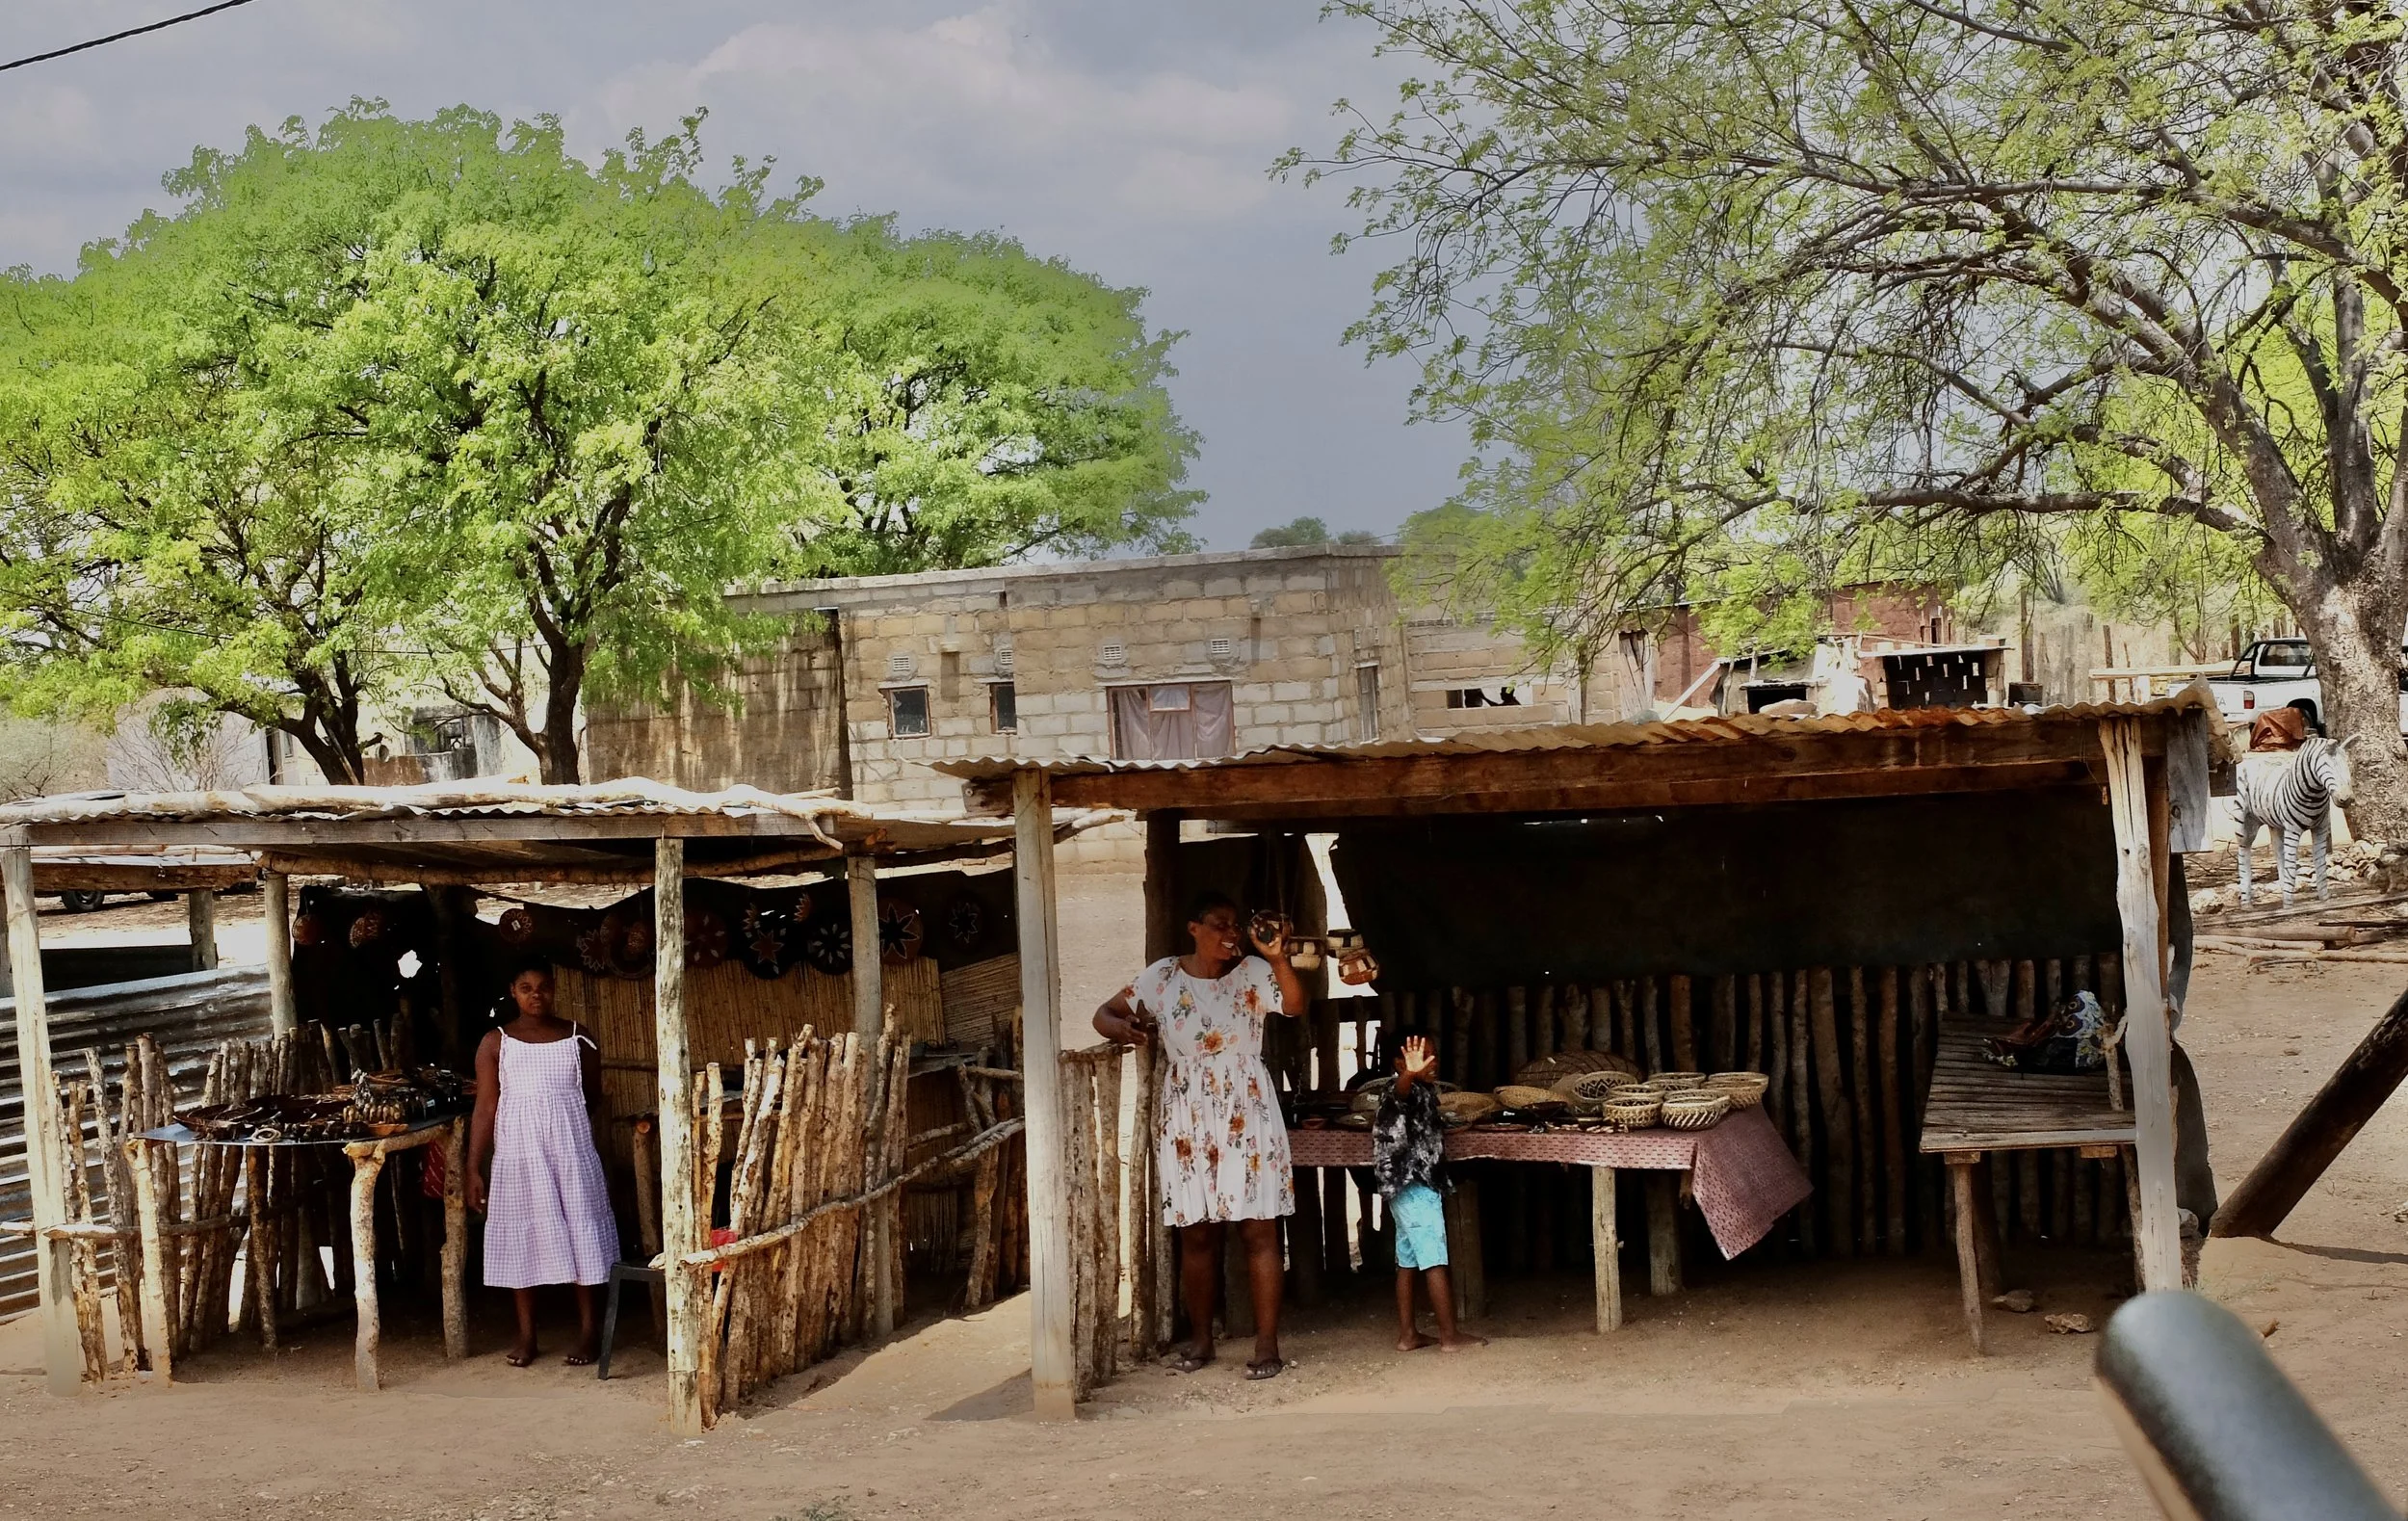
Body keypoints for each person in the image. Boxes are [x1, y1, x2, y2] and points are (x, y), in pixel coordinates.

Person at [1094, 889, 1306, 1378]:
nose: (1231, 934)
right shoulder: (1162, 977)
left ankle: (1267, 1346)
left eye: (1236, 926)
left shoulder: (1254, 972)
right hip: (1188, 1113)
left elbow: (1293, 1006)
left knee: (1259, 1229)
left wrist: (1277, 958)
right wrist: (1124, 1030)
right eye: (1220, 924)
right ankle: (1202, 1342)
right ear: (1194, 928)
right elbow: (1103, 1014)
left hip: (1247, 1110)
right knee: (1197, 1233)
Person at [467, 958, 619, 1367]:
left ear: (555, 990)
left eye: (544, 987)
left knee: (580, 1234)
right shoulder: (495, 1041)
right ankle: (527, 1335)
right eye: (526, 987)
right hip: (519, 1155)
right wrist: (472, 1168)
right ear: (513, 992)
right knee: (522, 1236)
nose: (537, 995)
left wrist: (561, 1124)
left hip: (570, 1153)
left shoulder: (577, 1036)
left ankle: (589, 1333)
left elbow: (591, 1094)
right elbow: (485, 1107)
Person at [1374, 1034, 1483, 1352]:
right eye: (1423, 1055)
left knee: (1408, 1260)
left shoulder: (1425, 1091)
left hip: (1404, 1186)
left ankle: (1408, 1334)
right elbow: (1400, 1091)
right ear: (1399, 1063)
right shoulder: (1400, 1089)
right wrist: (1409, 1072)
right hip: (1414, 1184)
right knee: (1434, 1258)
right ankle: (1450, 1337)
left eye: (1433, 1055)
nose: (1431, 1062)